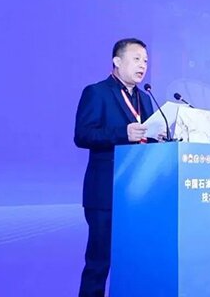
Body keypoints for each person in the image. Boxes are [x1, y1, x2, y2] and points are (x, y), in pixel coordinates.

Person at [74, 38, 154, 297]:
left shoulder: (145, 99)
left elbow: (145, 139)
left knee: (132, 260)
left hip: (137, 195)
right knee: (98, 263)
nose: (142, 65)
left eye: (145, 61)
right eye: (136, 59)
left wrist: (159, 138)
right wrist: (123, 133)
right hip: (105, 193)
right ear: (117, 61)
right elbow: (83, 135)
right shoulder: (96, 92)